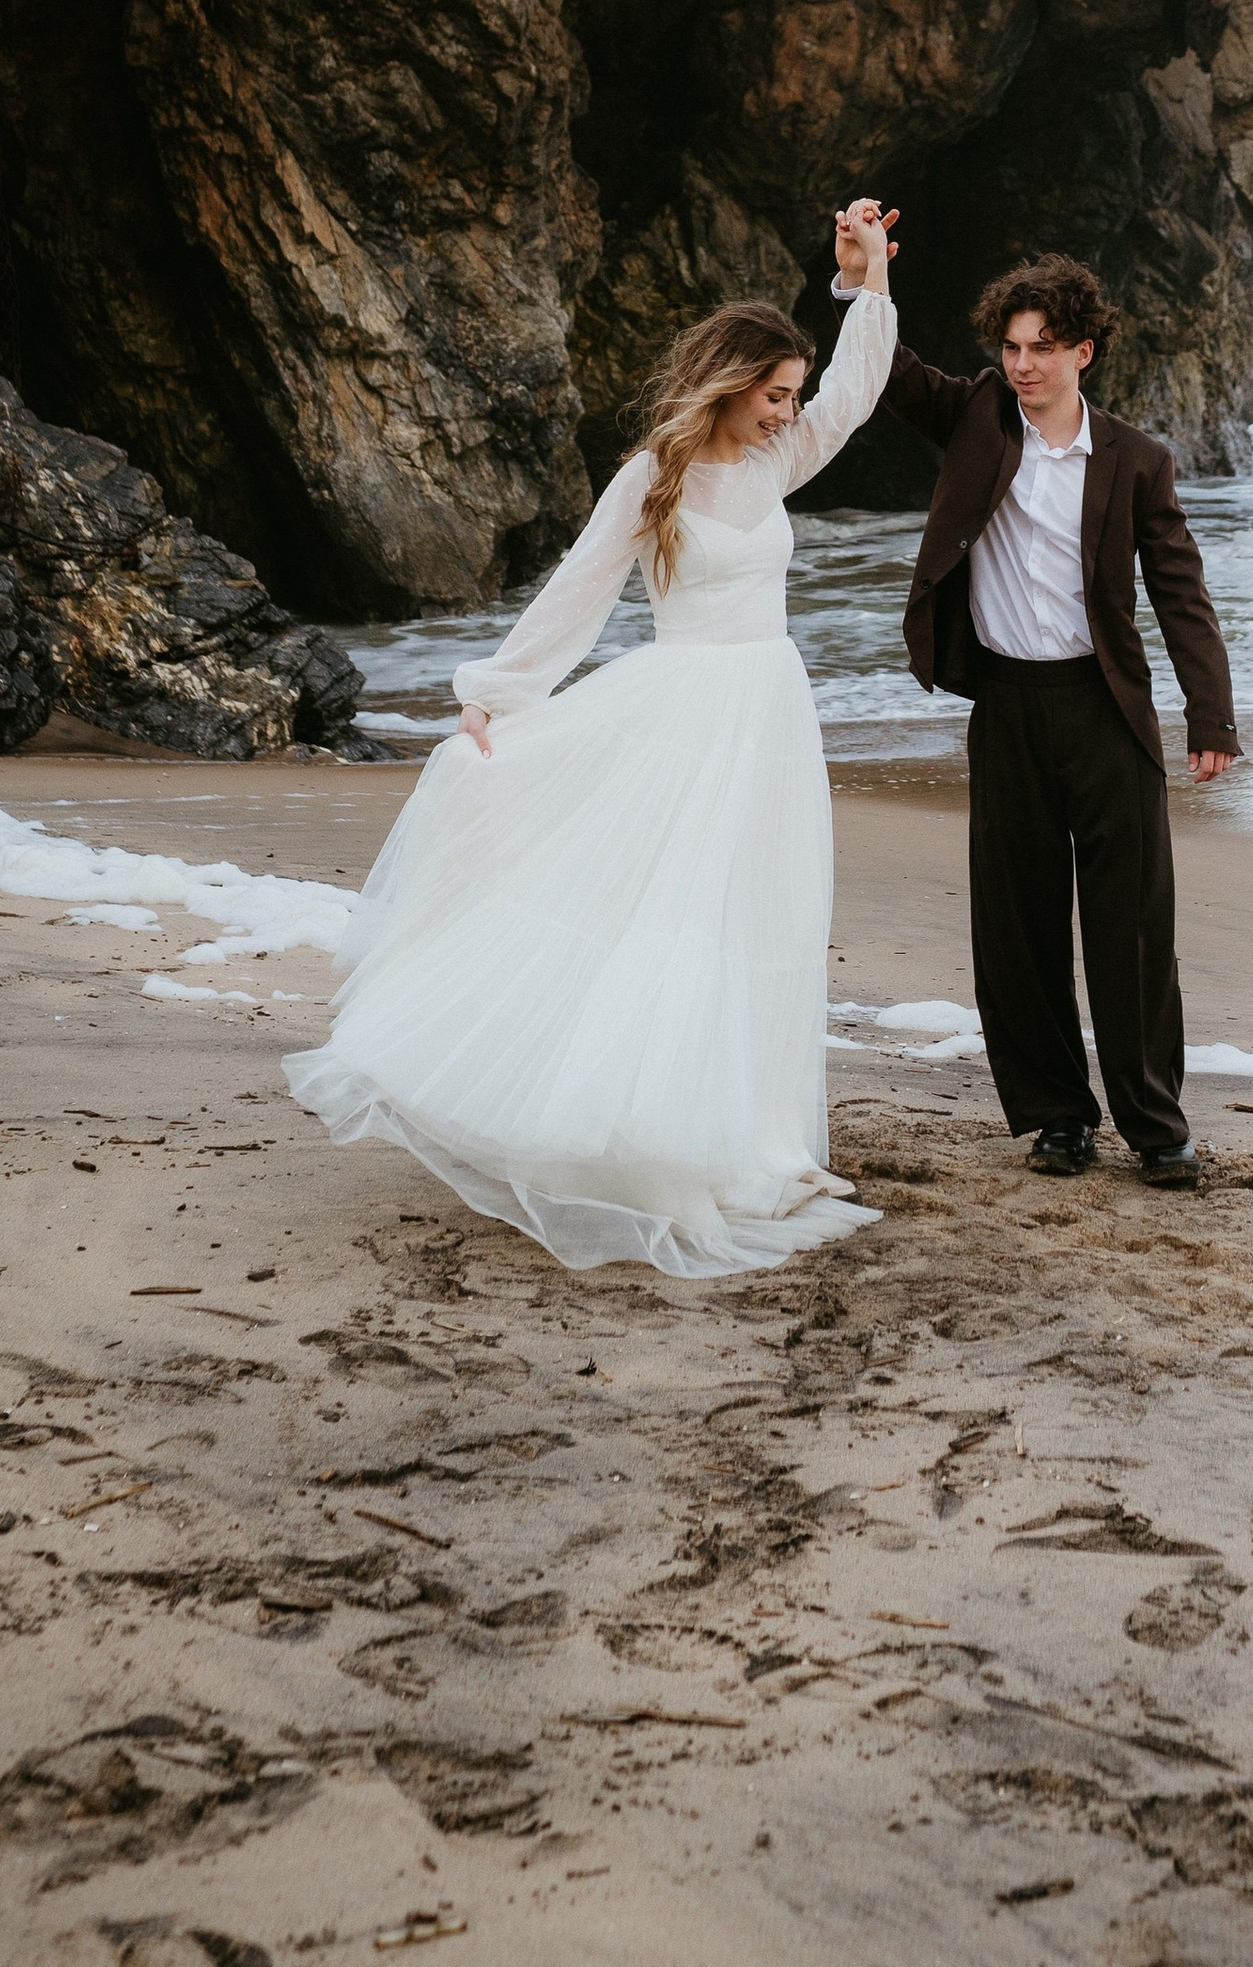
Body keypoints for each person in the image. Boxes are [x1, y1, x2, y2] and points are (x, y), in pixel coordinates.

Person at [285, 204, 899, 1280]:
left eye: (791, 399)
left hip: (769, 716)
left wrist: (871, 276)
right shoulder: (653, 478)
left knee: (767, 919)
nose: (785, 414)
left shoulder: (782, 458)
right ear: (731, 380)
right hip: (681, 717)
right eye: (771, 395)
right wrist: (496, 694)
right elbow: (575, 593)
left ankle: (765, 1144)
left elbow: (856, 392)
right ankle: (667, 1137)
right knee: (676, 918)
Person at [834, 215, 1238, 1189]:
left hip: (1104, 712)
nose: (1020, 364)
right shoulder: (975, 412)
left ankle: (1154, 1122)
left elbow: (1180, 592)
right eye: (1009, 347)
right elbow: (889, 374)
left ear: (1081, 351)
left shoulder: (1136, 459)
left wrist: (1209, 716)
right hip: (1007, 705)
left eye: (1040, 348)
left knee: (1130, 929)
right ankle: (1057, 1116)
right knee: (1015, 927)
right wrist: (863, 281)